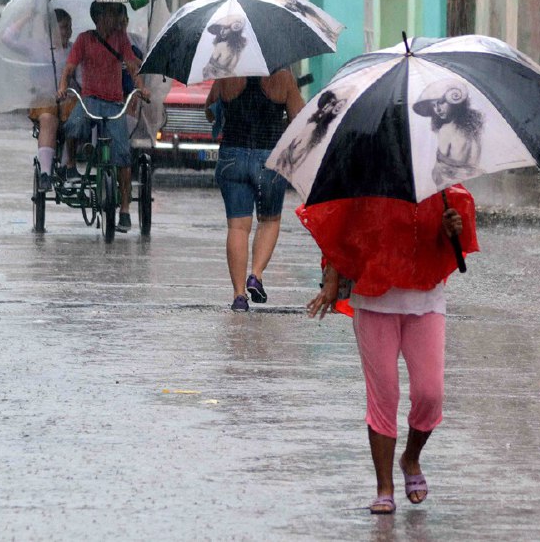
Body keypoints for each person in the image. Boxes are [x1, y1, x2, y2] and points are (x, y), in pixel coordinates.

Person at [305, 191, 476, 515]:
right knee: (383, 396)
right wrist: (331, 276)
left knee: (430, 394)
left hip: (426, 298)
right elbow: (339, 227)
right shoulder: (366, 175)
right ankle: (385, 488)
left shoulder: (439, 179)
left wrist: (452, 227)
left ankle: (411, 457)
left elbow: (458, 227)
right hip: (374, 299)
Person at [204, 70, 305, 311]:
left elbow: (209, 112)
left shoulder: (226, 74)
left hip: (232, 156)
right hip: (269, 158)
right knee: (269, 220)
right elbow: (298, 119)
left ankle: (239, 296)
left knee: (238, 226)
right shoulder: (283, 76)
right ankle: (256, 275)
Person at [57, 1, 151, 233]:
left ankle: (125, 210)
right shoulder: (84, 40)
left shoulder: (120, 39)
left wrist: (141, 88)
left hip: (114, 104)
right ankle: (70, 164)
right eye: (110, 15)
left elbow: (132, 66)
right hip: (90, 100)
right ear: (99, 18)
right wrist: (62, 87)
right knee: (74, 125)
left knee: (123, 155)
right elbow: (69, 69)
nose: (115, 21)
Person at [0, 8, 75, 192]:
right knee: (49, 120)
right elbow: (7, 38)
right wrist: (28, 15)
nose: (66, 32)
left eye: (68, 28)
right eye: (62, 28)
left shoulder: (74, 50)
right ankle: (46, 174)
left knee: (78, 119)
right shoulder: (37, 46)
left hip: (69, 100)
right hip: (44, 100)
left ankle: (68, 166)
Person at [413, 78, 485, 187]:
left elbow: (439, 174)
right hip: (473, 186)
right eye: (433, 105)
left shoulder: (445, 129)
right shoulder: (475, 129)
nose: (437, 109)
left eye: (441, 102)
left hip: (453, 191)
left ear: (455, 103)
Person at [274, 89, 346, 173]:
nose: (334, 106)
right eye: (331, 104)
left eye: (334, 103)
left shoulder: (321, 127)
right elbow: (295, 156)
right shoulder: (314, 128)